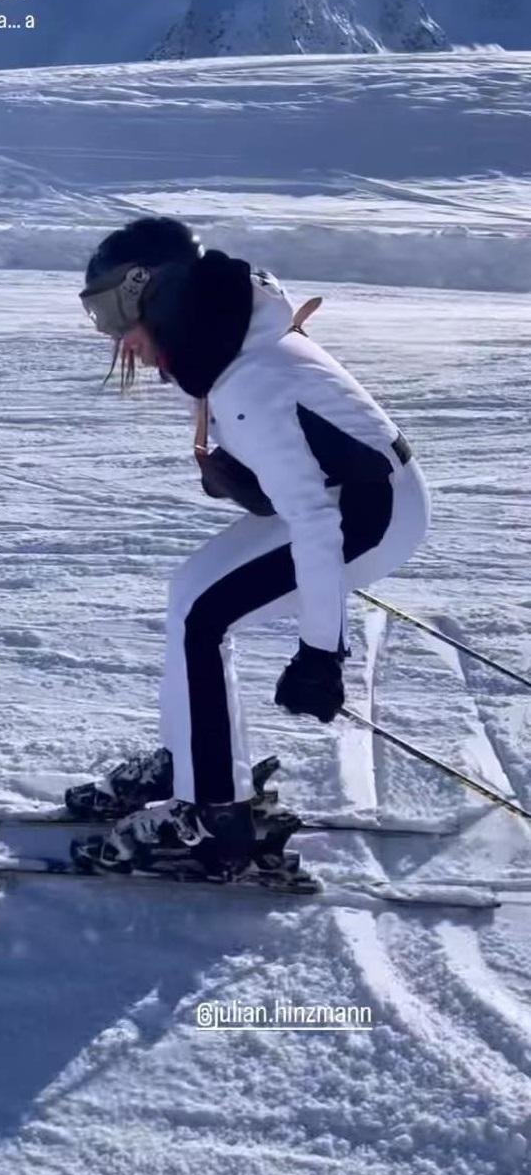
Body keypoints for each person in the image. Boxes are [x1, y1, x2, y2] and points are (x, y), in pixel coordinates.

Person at [66, 216, 430, 885]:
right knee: (189, 594)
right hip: (352, 495)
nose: (117, 338)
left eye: (115, 312)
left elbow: (315, 523)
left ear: (153, 290)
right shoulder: (231, 337)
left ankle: (212, 820)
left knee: (206, 615)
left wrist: (321, 653)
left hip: (371, 514)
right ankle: (193, 761)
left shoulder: (249, 378)